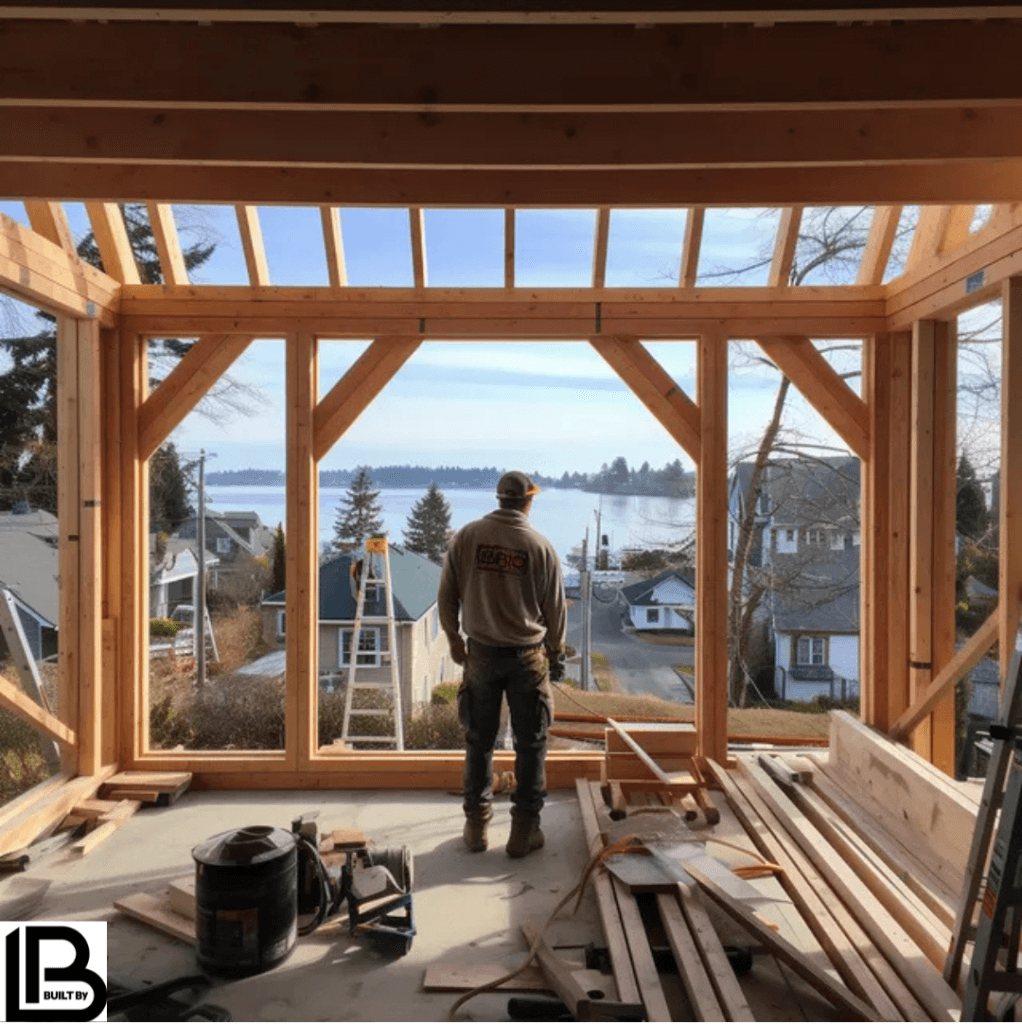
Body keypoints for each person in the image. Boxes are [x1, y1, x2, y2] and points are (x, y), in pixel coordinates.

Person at [438, 471, 566, 858]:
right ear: (528, 501)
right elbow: (555, 609)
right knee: (531, 744)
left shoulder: (467, 537)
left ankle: (476, 826)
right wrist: (556, 652)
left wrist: (454, 639)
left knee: (479, 741)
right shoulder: (540, 547)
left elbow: (447, 595)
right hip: (527, 657)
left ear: (499, 499)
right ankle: (523, 831)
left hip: (481, 655)